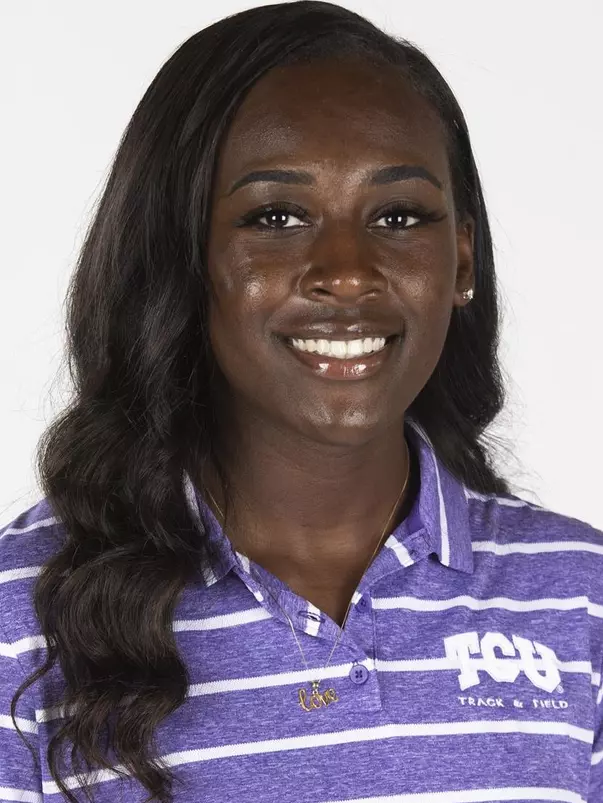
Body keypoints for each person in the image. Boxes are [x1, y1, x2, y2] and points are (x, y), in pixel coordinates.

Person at [1, 1, 601, 801]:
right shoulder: (21, 620)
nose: (347, 272)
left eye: (398, 215)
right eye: (275, 217)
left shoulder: (578, 596)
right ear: (180, 256)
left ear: (461, 259)